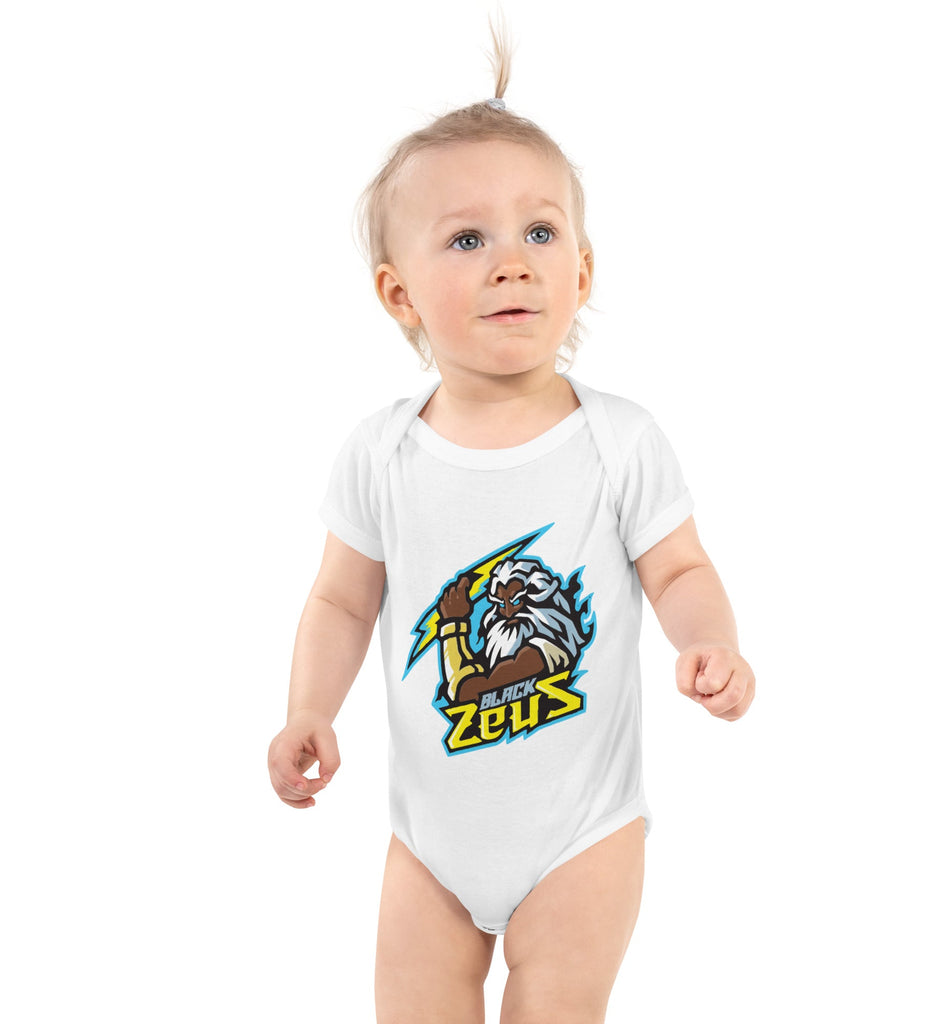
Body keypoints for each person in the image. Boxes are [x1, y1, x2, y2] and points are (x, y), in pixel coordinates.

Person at [267, 20, 755, 1024]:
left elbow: (678, 569)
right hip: (428, 844)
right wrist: (309, 707)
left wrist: (708, 640)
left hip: (582, 834)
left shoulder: (618, 440)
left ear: (583, 271)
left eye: (540, 232)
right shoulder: (381, 452)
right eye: (467, 239)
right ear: (398, 294)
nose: (512, 263)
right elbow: (339, 601)